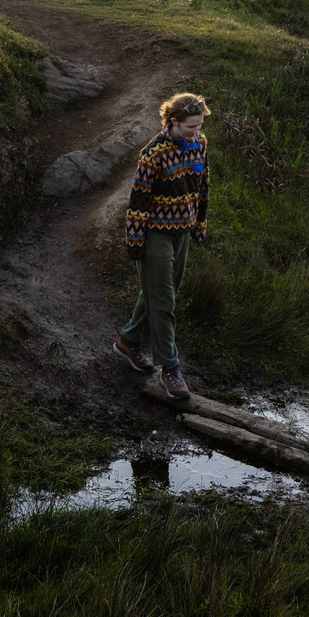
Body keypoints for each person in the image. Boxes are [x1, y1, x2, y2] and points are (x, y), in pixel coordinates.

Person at [112, 92, 210, 401]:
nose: (195, 133)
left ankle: (128, 341)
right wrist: (135, 242)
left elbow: (203, 186)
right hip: (156, 234)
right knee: (164, 302)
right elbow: (138, 202)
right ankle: (170, 369)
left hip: (182, 232)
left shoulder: (200, 145)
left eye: (199, 126)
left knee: (159, 294)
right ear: (173, 122)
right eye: (190, 127)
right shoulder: (153, 153)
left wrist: (200, 223)